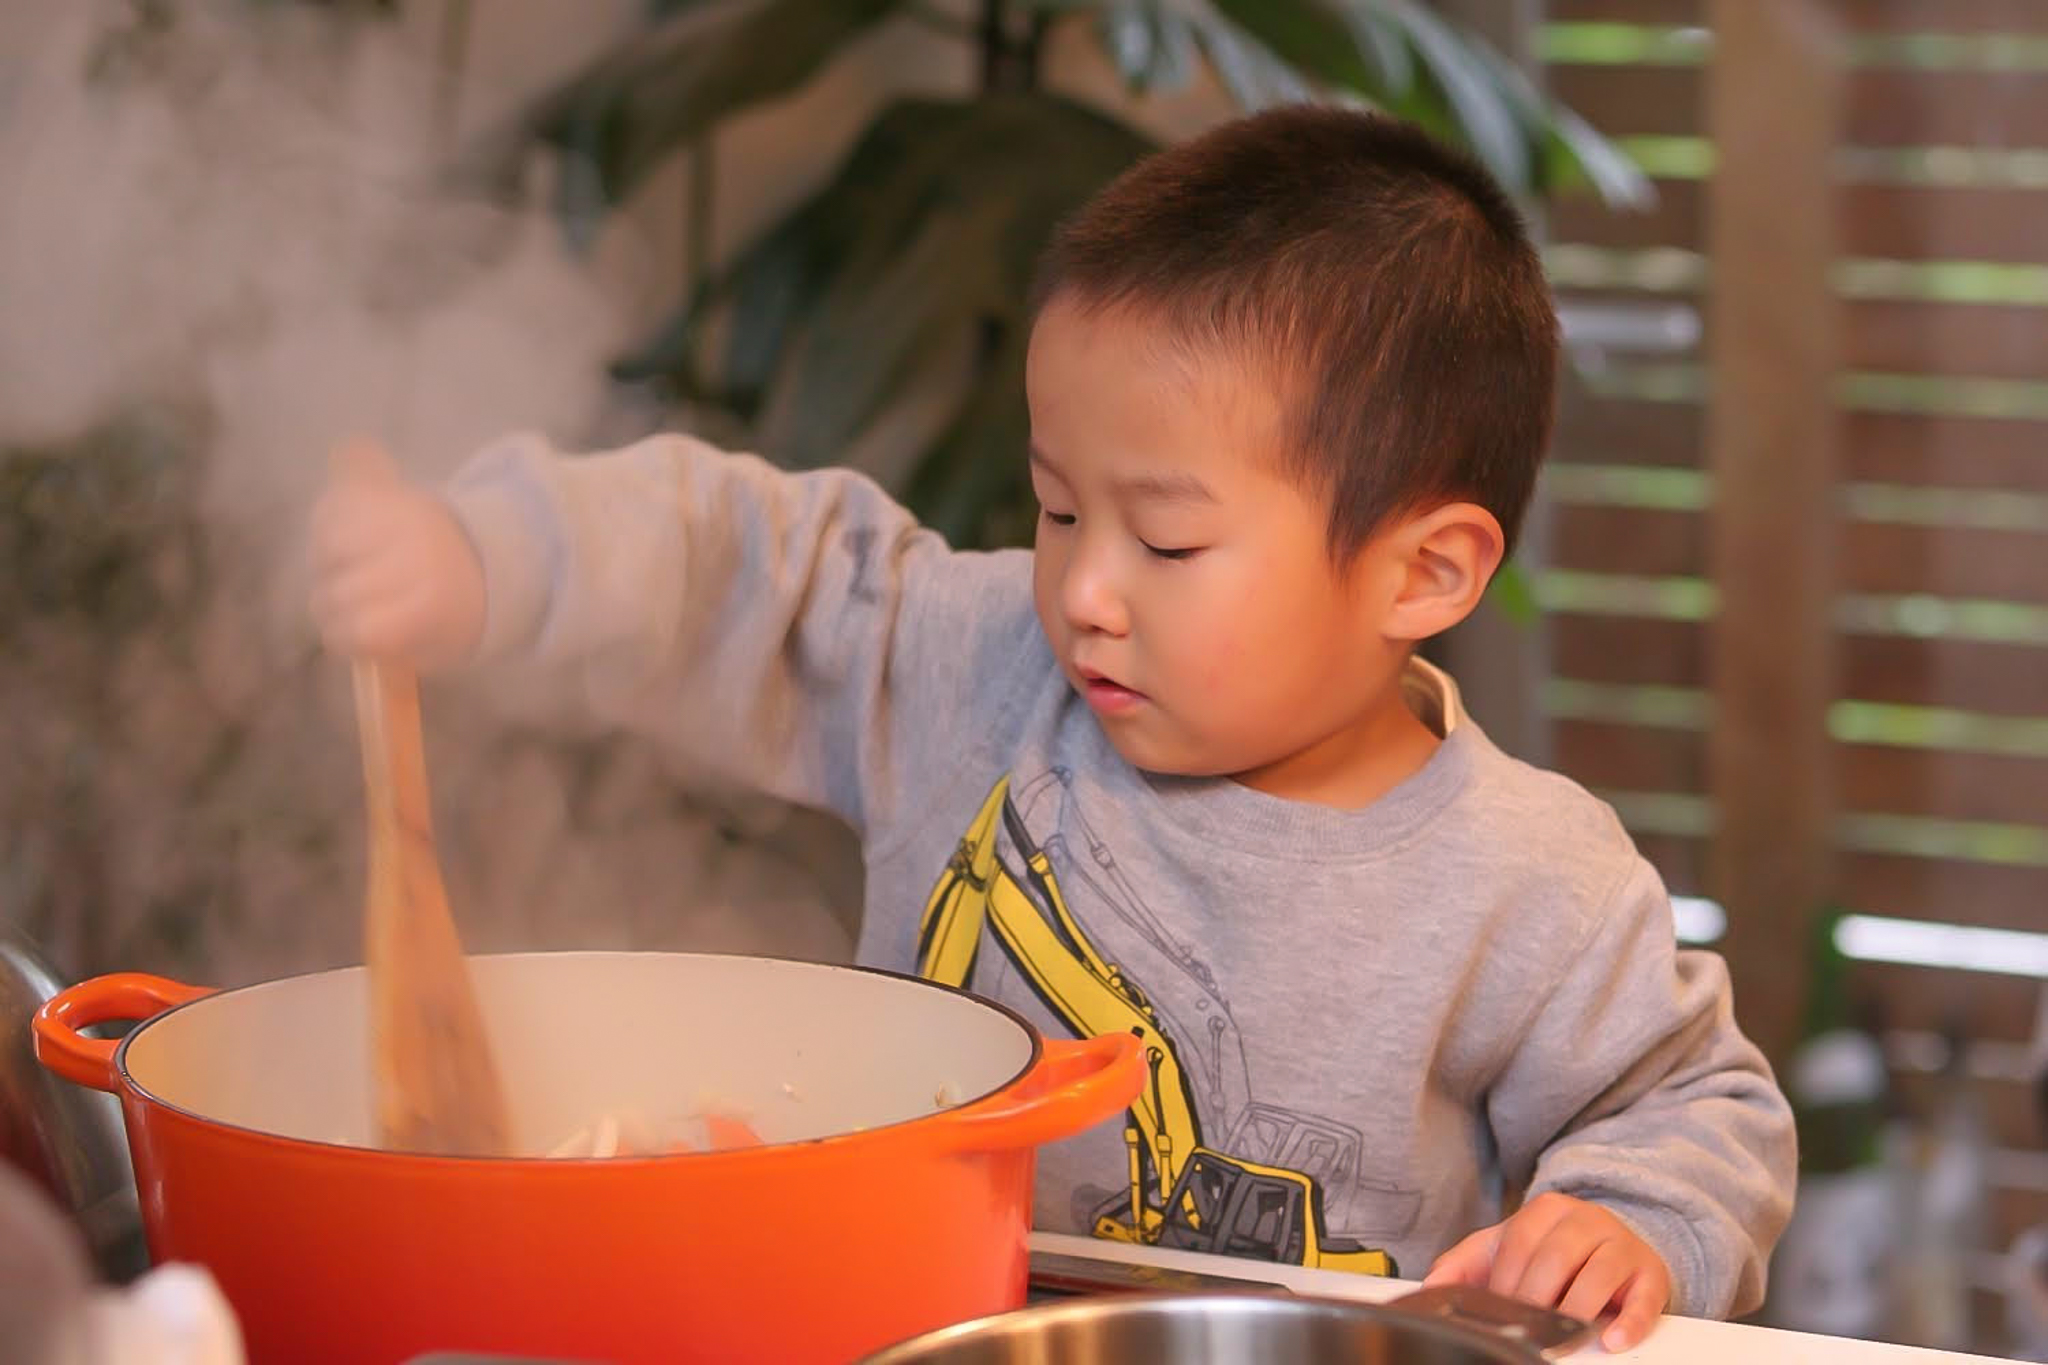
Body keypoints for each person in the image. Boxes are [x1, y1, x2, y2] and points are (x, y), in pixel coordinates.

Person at [309, 105, 1795, 1351]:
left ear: (1425, 570)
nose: (1081, 589)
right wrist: (489, 556)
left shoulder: (1527, 878)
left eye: (1165, 540)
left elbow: (1693, 1099)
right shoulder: (972, 670)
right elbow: (747, 563)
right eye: (1060, 505)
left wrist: (1630, 1221)